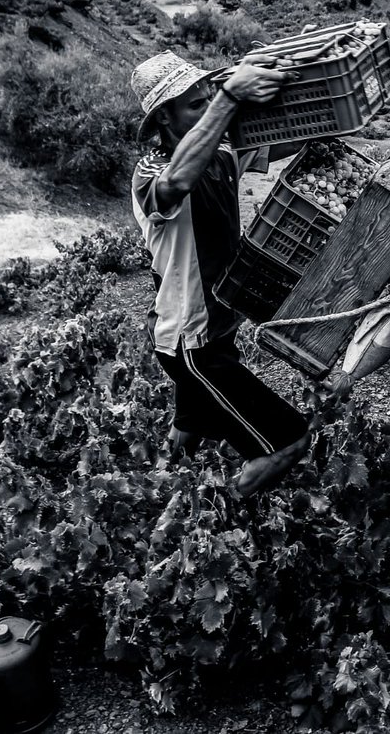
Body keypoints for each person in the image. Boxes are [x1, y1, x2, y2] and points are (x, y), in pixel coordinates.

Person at [129, 50, 312, 496]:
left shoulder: (222, 150)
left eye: (207, 95)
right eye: (197, 105)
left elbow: (292, 136)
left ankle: (155, 497)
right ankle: (214, 520)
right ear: (164, 122)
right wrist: (229, 97)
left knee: (188, 429)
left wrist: (308, 83)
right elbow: (178, 182)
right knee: (288, 442)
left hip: (216, 328)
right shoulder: (152, 175)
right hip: (191, 341)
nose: (209, 106)